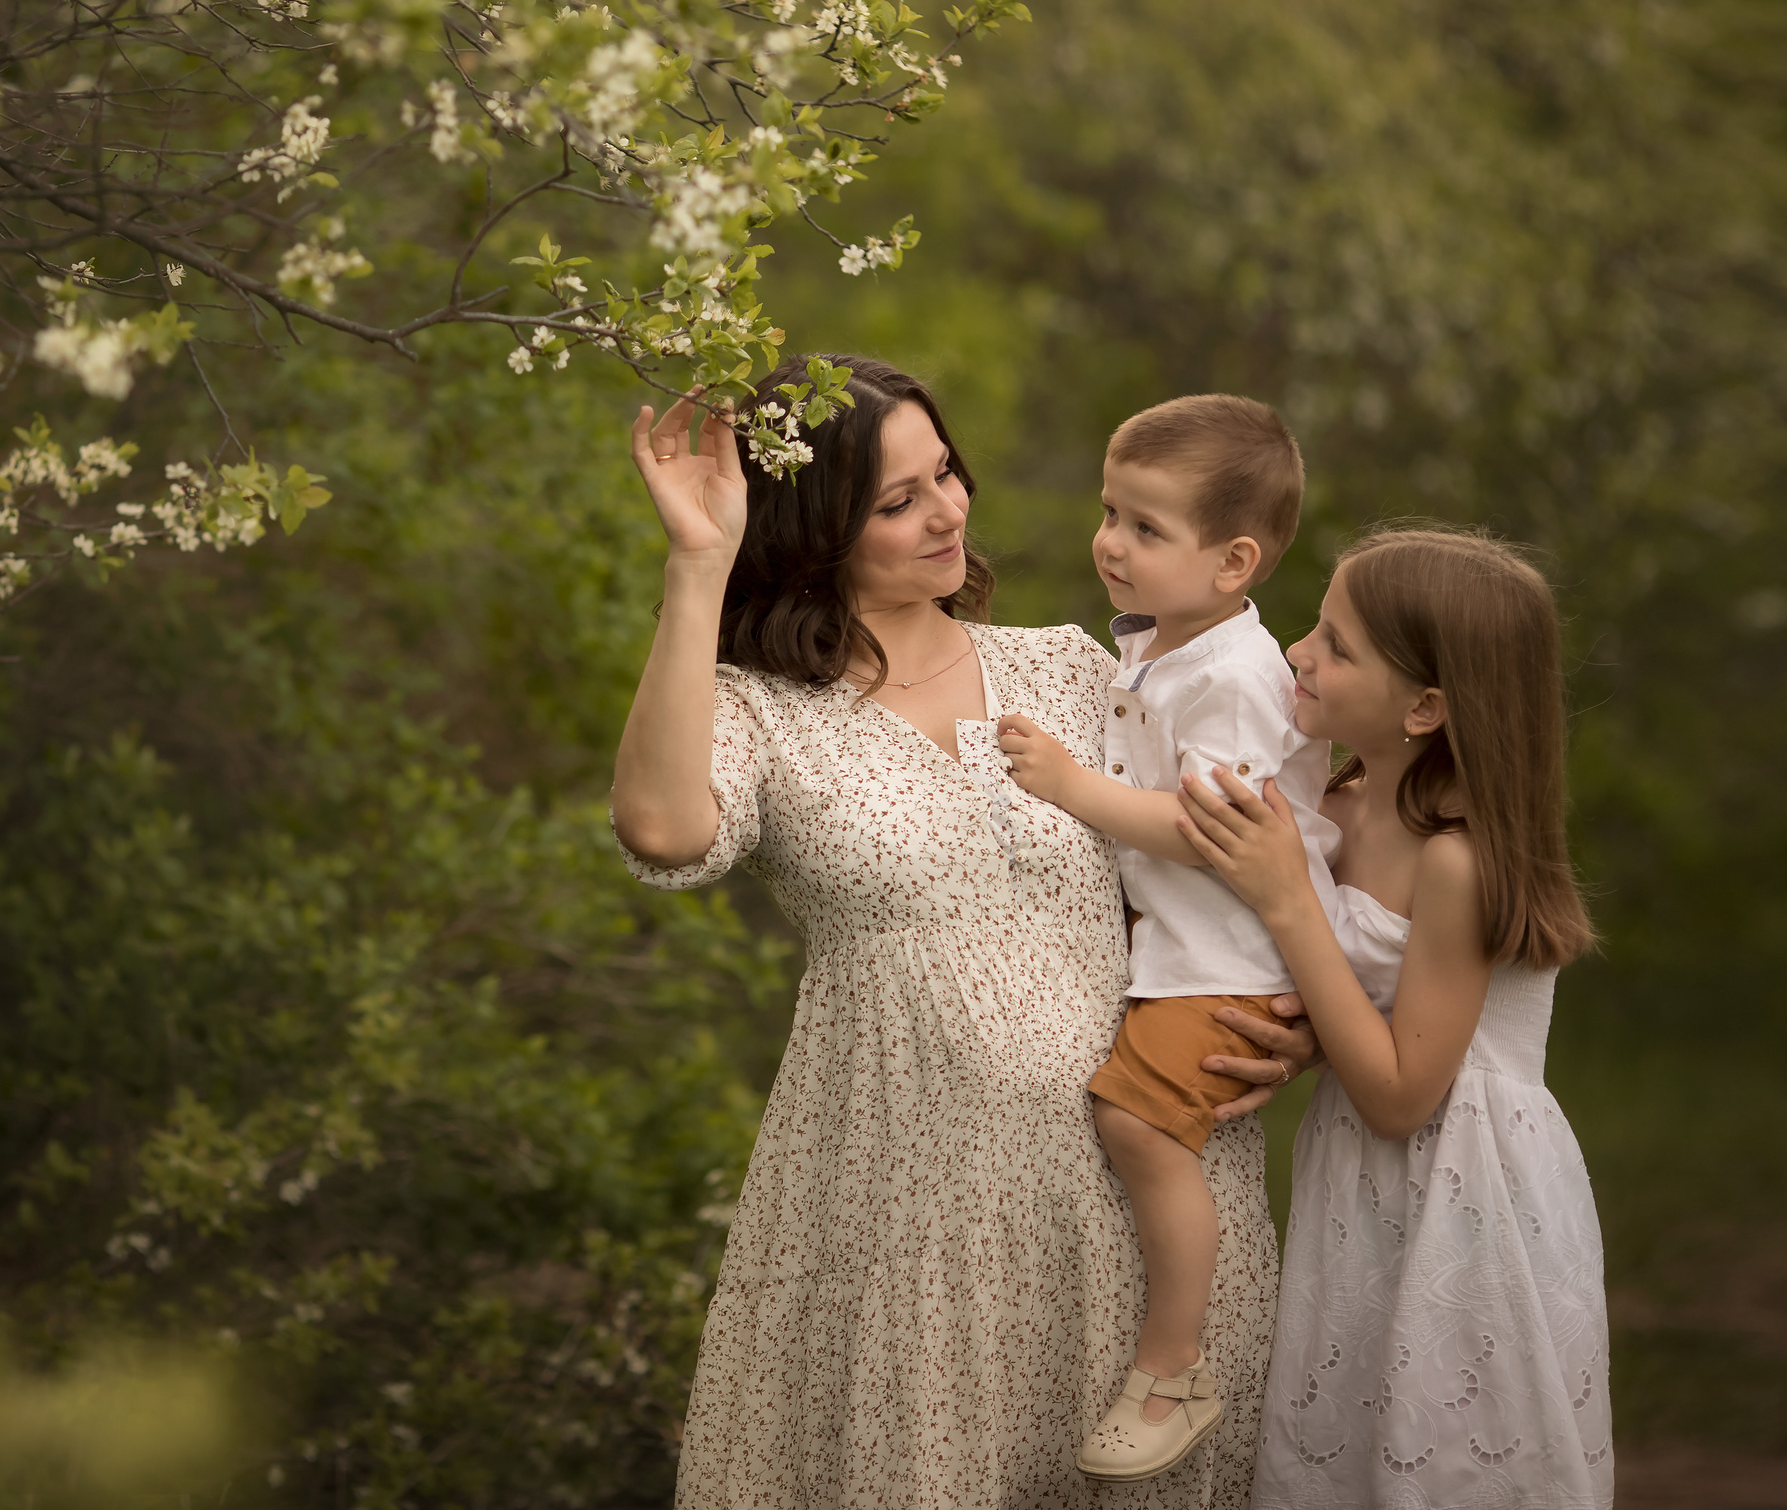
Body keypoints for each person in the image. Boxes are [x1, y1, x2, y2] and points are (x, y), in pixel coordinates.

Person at [609, 355, 1314, 1508]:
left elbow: (1229, 872)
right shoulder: (759, 709)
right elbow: (664, 828)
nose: (944, 511)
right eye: (896, 501)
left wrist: (1300, 1021)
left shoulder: (1075, 667)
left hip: (1143, 1207)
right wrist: (699, 565)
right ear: (813, 528)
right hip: (910, 1221)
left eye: (945, 474)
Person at [1171, 528, 1613, 1508]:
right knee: (1350, 1440)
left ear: (1424, 706)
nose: (1296, 650)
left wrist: (1290, 897)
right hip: (1361, 1187)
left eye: (1336, 643)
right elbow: (1362, 1008)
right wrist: (1305, 1042)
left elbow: (1405, 1095)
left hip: (1468, 1193)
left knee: (1446, 1452)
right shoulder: (1341, 795)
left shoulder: (1457, 858)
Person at [994, 395, 1342, 1482]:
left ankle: (1172, 1363)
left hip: (1229, 958)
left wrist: (1068, 784)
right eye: (1109, 512)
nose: (1109, 542)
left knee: (1136, 1125)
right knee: (1128, 1120)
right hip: (1185, 947)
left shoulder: (1234, 678)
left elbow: (1210, 830)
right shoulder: (1165, 648)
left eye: (1146, 528)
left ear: (1233, 560)